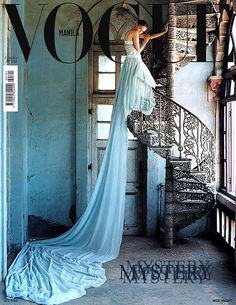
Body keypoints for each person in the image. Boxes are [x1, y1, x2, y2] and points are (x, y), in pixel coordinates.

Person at [5, 19, 168, 305]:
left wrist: (161, 34)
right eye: (142, 30)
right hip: (131, 65)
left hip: (132, 64)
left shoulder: (138, 37)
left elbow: (141, 46)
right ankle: (140, 105)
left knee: (145, 81)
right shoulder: (131, 34)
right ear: (139, 27)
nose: (142, 34)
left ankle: (142, 106)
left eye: (143, 32)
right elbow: (136, 48)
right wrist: (146, 40)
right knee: (143, 78)